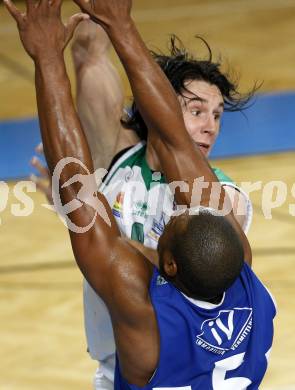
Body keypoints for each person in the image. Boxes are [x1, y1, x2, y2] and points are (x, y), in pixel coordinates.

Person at [5, 0, 275, 388]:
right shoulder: (235, 264)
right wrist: (117, 21)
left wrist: (47, 55)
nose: (211, 127)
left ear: (169, 265)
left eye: (217, 115)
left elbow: (97, 225)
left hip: (133, 356)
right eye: (197, 111)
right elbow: (92, 52)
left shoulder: (225, 201)